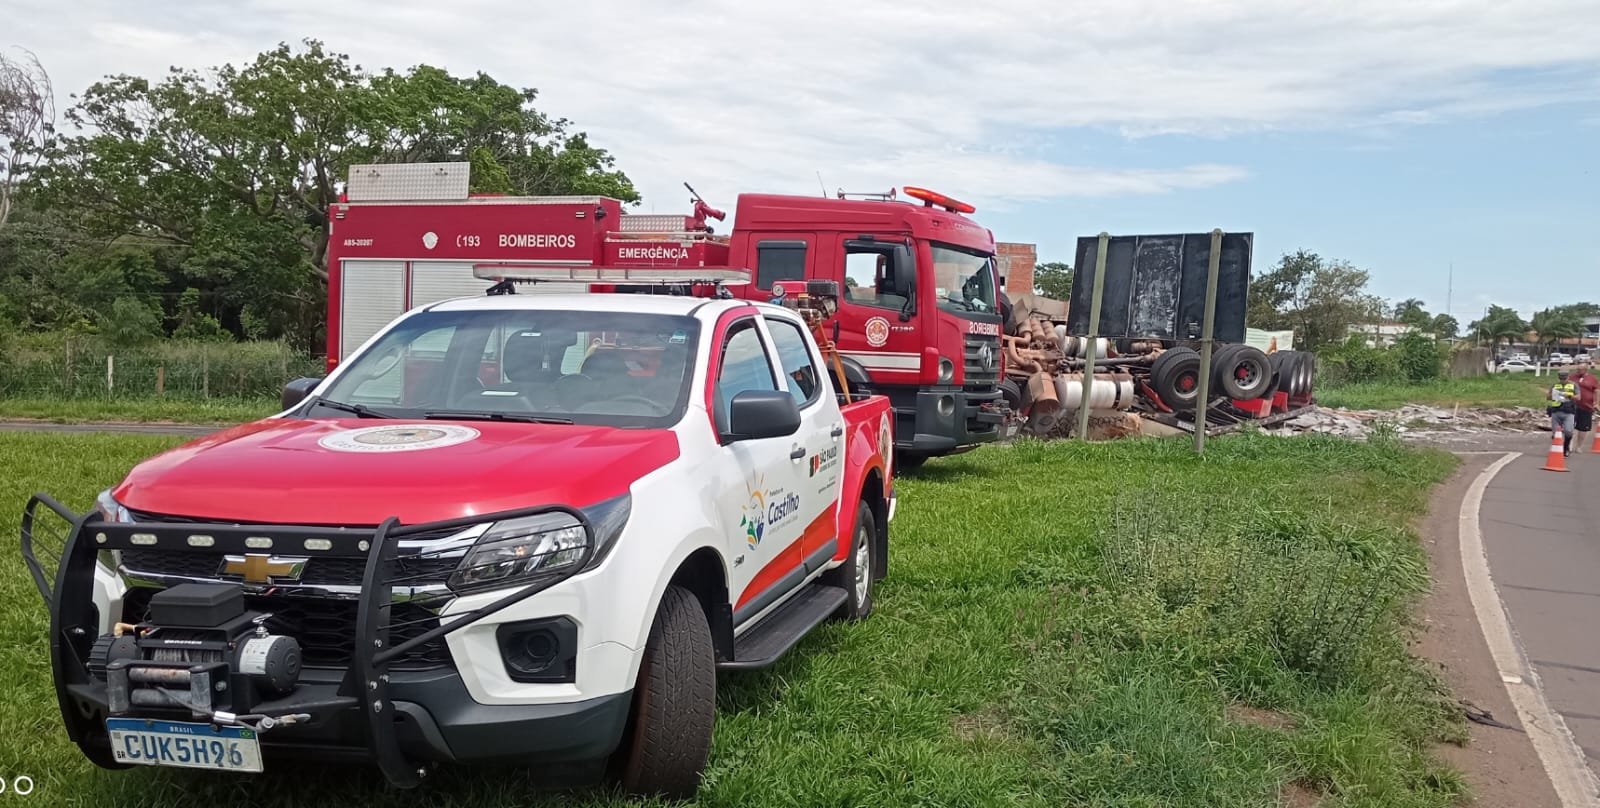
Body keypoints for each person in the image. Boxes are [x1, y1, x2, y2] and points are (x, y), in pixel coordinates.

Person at [1547, 369, 1579, 457]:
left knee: (1568, 431)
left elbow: (1578, 397)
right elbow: (1548, 397)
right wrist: (1553, 395)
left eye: (1564, 379)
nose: (1563, 380)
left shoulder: (1573, 385)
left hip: (1569, 411)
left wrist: (1569, 395)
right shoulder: (1555, 385)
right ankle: (1556, 449)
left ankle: (1566, 447)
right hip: (1556, 410)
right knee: (1555, 433)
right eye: (1561, 379)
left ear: (1568, 377)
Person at [1573, 358, 1599, 452]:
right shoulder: (1573, 377)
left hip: (1587, 406)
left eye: (1580, 370)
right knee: (1570, 425)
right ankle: (1569, 444)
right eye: (1577, 369)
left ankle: (1579, 446)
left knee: (1583, 428)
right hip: (1573, 405)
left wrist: (1596, 403)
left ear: (1585, 370)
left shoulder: (1592, 379)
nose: (1578, 371)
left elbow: (1596, 391)